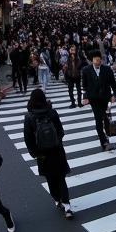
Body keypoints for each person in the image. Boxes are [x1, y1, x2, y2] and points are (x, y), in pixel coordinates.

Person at [22, 89, 72, 219]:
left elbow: (28, 139)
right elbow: (61, 131)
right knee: (61, 178)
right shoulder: (52, 112)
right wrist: (56, 142)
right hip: (57, 151)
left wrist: (35, 153)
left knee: (50, 179)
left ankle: (57, 199)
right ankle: (67, 206)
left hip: (43, 155)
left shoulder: (29, 117)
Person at [82, 52, 116, 153]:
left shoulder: (107, 69)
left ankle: (107, 134)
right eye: (95, 59)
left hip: (105, 97)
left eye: (99, 59)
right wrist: (85, 97)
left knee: (106, 117)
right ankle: (103, 142)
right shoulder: (86, 70)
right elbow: (84, 85)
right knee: (98, 119)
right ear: (92, 60)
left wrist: (114, 94)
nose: (98, 61)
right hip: (94, 98)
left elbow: (112, 82)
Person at [64, 44, 83, 108]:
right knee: (70, 90)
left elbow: (80, 65)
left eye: (74, 50)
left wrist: (74, 59)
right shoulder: (67, 58)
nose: (72, 51)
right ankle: (73, 103)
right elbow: (65, 66)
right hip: (70, 76)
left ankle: (79, 102)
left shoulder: (78, 57)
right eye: (71, 50)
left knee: (79, 90)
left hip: (77, 76)